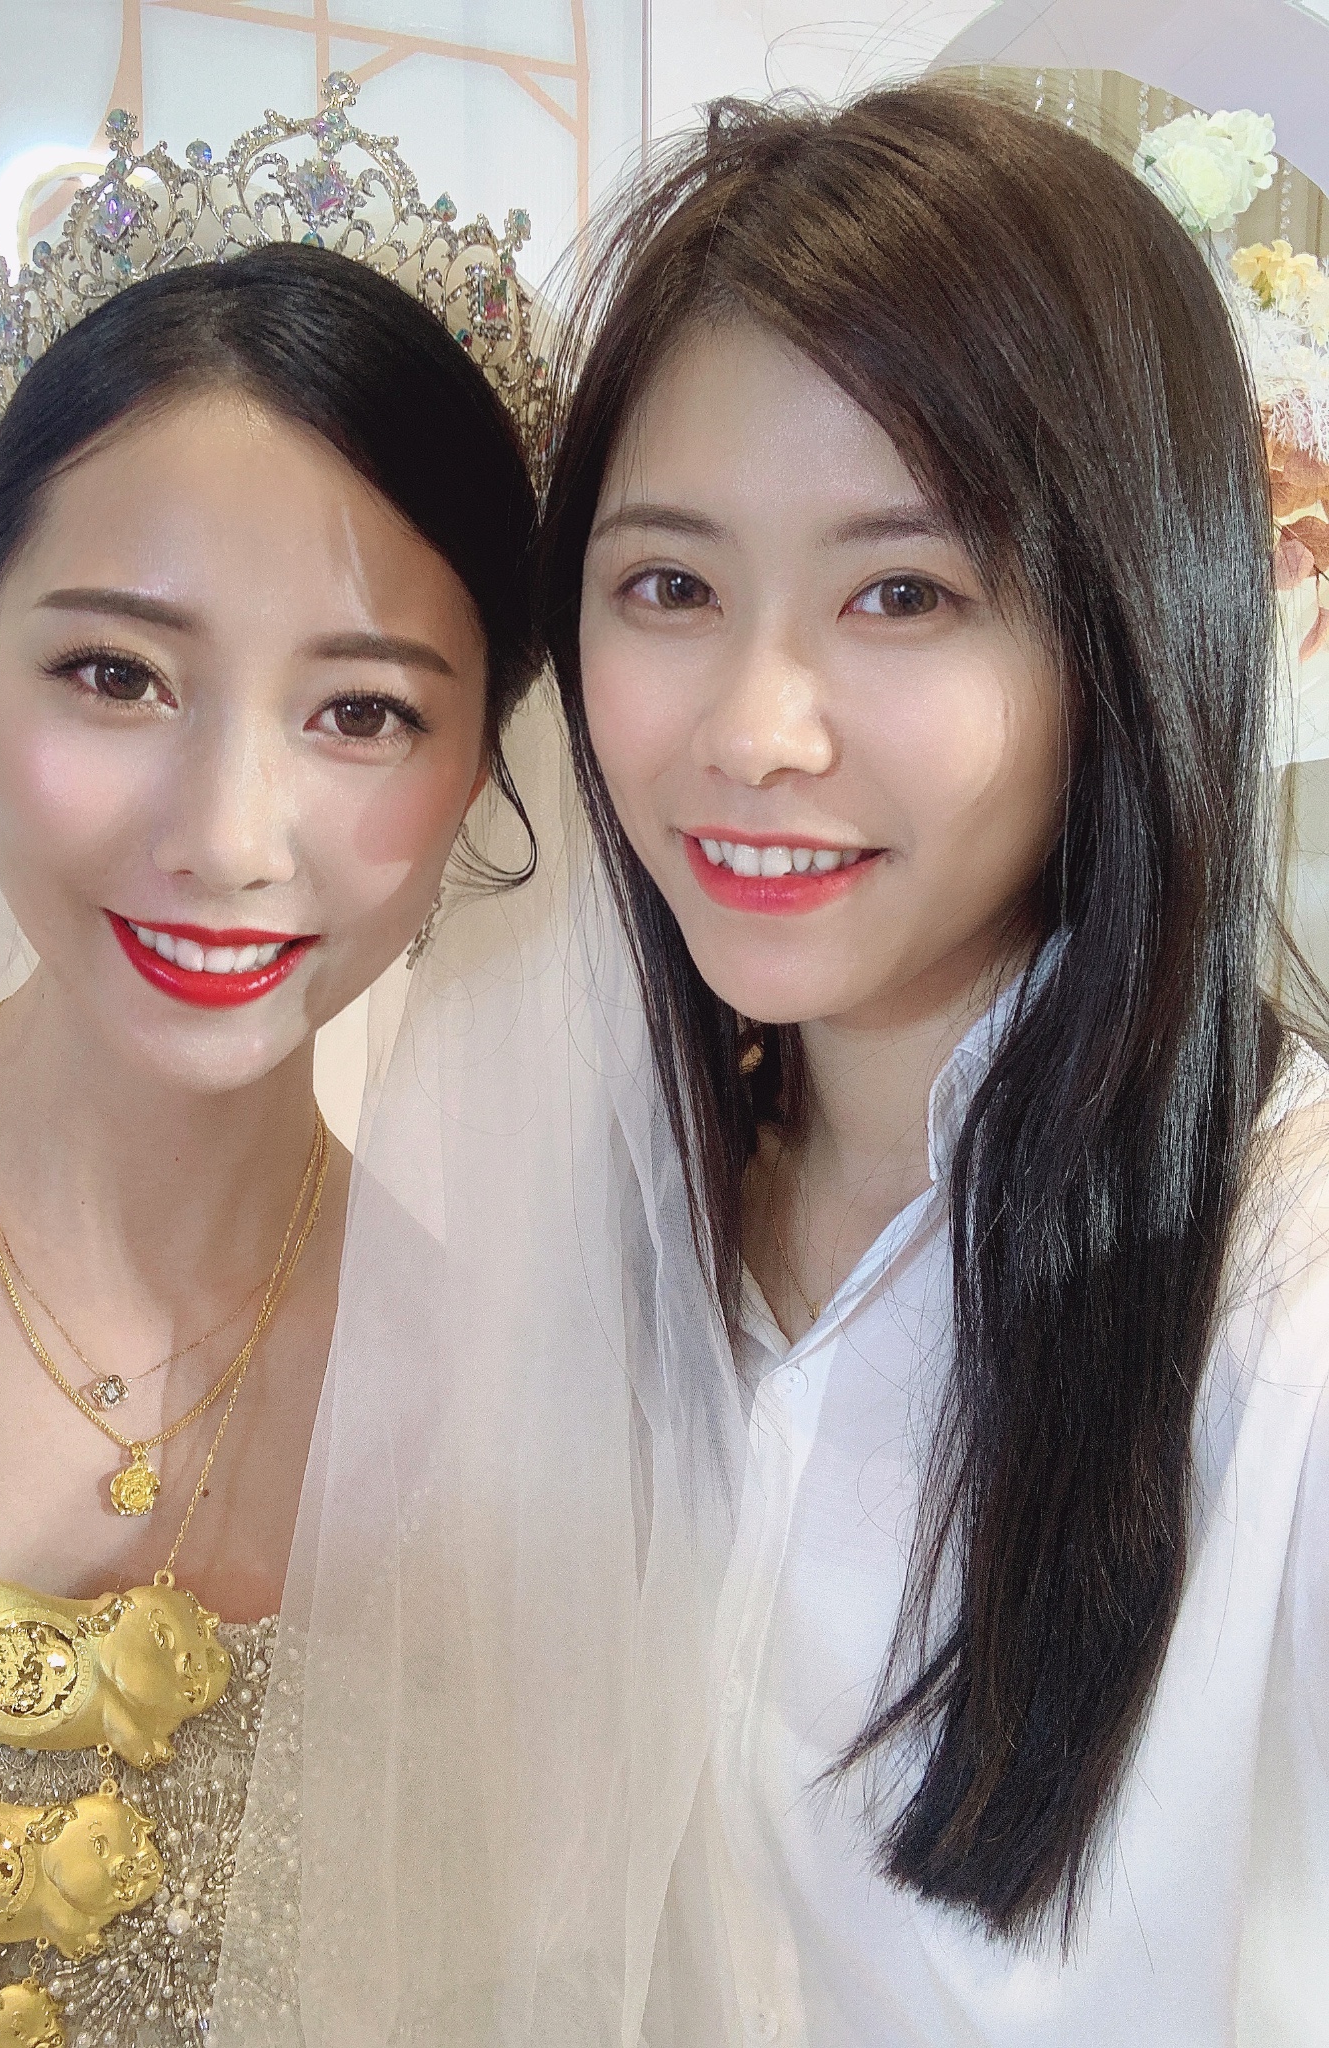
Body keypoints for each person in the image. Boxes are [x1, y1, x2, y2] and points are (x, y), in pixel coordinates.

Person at [540, 81, 1329, 2044]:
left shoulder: (1285, 1316)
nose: (755, 728)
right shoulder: (611, 1213)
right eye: (671, 586)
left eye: (905, 592)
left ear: (1133, 626)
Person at [0, 86, 543, 2044]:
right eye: (116, 674)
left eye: (363, 711)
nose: (224, 836)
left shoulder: (508, 1418)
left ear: (483, 758)